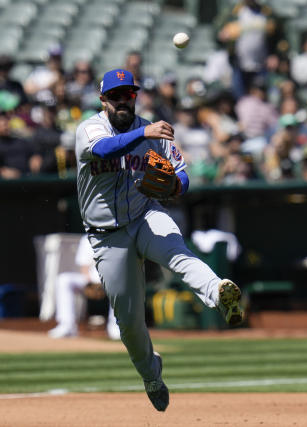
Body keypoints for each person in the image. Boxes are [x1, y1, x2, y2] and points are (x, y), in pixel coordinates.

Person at [75, 69, 244, 411]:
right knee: (130, 322)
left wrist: (175, 186)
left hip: (145, 215)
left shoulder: (153, 129)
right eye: (117, 95)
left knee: (177, 252)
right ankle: (151, 374)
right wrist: (144, 133)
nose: (124, 100)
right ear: (103, 99)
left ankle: (219, 292)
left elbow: (181, 173)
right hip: (107, 236)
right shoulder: (90, 128)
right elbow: (105, 150)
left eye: (129, 94)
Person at [48, 235, 120, 340]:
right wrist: (89, 283)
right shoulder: (88, 238)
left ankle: (116, 327)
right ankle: (67, 325)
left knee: (120, 285)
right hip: (91, 280)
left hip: (113, 281)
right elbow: (84, 265)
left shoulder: (118, 237)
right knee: (63, 280)